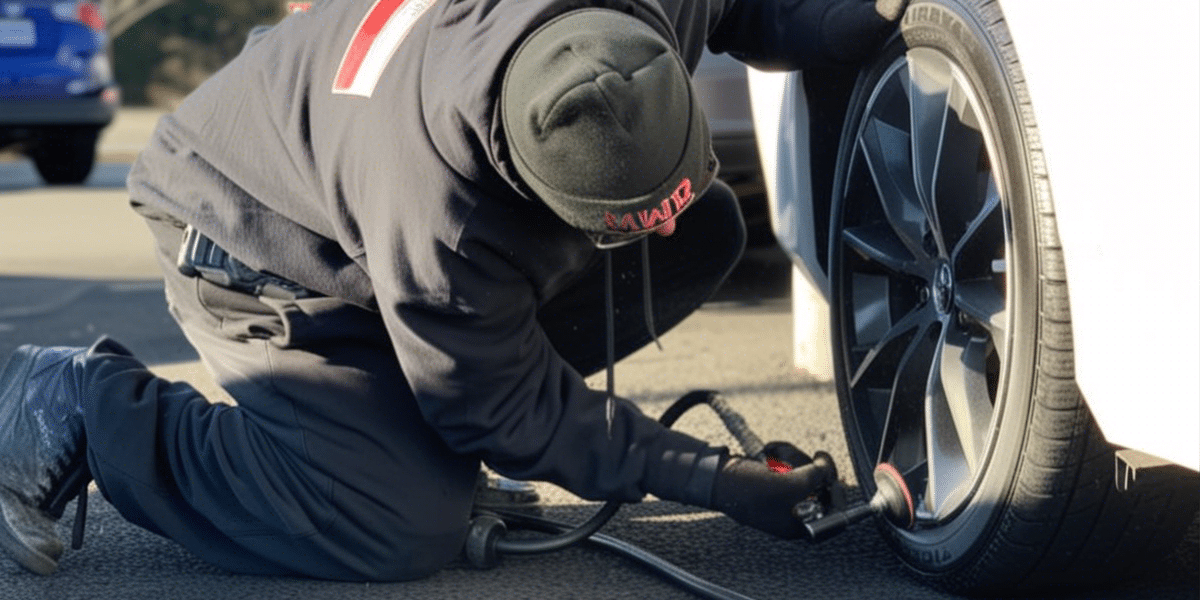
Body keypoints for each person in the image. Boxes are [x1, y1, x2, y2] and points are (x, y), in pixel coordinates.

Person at [0, 0, 904, 581]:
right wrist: (715, 479)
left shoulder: (639, 13)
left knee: (705, 231)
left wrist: (857, 18)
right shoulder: (441, 214)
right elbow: (504, 410)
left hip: (341, 171)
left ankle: (399, 427)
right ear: (527, 186)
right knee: (393, 524)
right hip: (245, 227)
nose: (655, 225)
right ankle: (80, 401)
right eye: (623, 217)